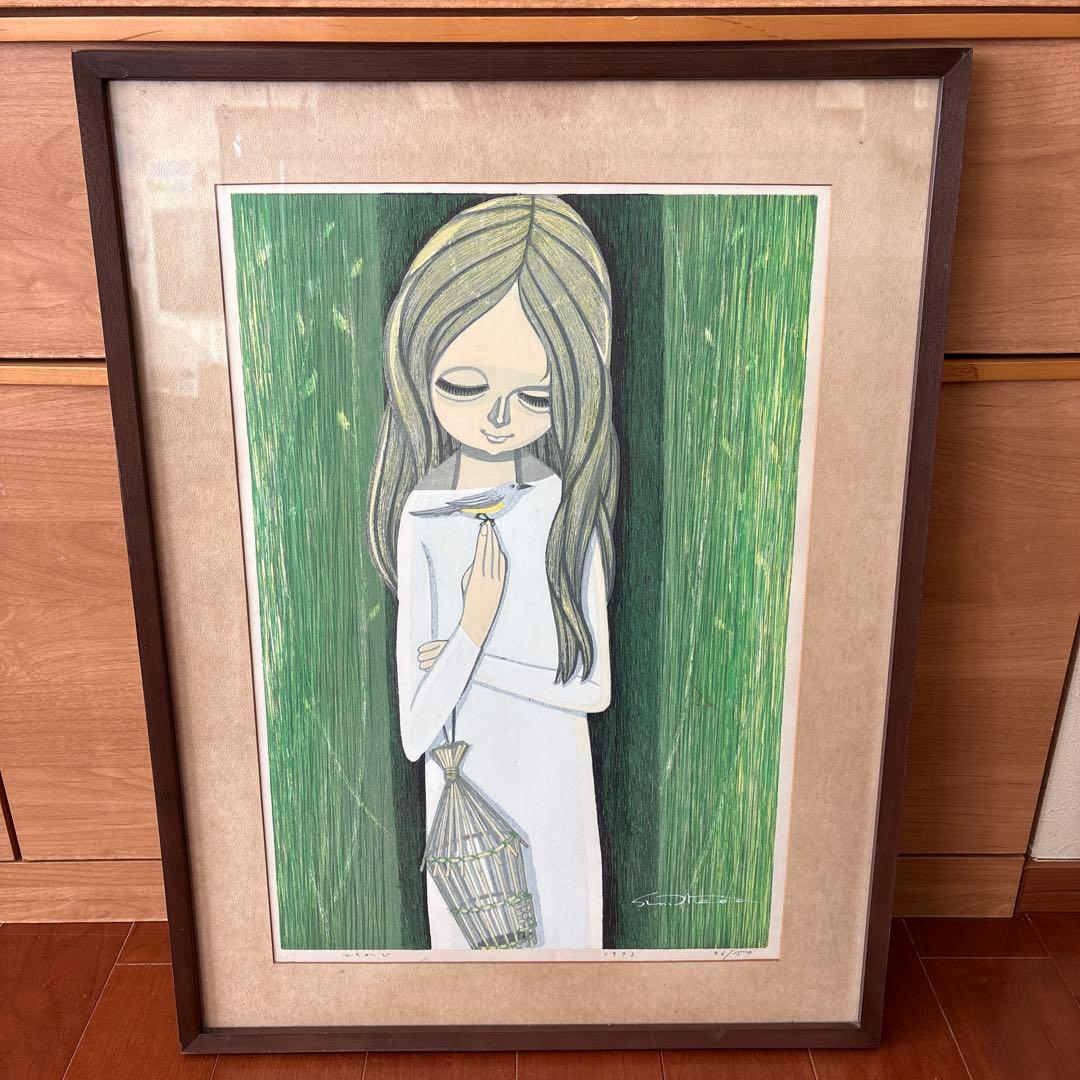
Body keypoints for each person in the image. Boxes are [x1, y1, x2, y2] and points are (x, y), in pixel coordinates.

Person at [367, 194, 618, 949]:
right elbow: (416, 731)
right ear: (418, 366)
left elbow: (594, 690)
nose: (500, 419)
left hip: (556, 790)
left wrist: (471, 657)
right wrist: (473, 624)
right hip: (465, 804)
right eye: (465, 385)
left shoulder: (563, 506)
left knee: (570, 955)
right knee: (474, 975)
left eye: (536, 396)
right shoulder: (422, 516)